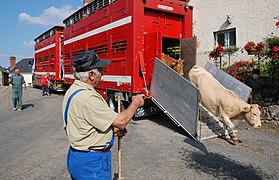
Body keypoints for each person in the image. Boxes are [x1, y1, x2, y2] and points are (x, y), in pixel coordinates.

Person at [62, 50, 144, 179]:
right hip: (91, 162)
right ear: (91, 75)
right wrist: (135, 102)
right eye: (100, 69)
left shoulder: (74, 90)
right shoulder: (88, 97)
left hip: (77, 156)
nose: (103, 73)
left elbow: (87, 122)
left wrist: (112, 131)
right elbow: (121, 121)